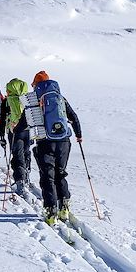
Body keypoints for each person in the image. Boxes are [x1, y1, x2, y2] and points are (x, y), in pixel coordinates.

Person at [31, 71, 82, 223]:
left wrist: (17, 132)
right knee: (61, 173)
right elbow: (73, 116)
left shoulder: (36, 99)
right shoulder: (60, 98)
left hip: (45, 142)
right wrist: (79, 135)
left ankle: (51, 211)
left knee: (48, 177)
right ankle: (64, 207)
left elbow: (25, 120)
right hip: (64, 141)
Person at [0, 78, 31, 196]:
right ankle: (27, 173)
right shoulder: (27, 100)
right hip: (28, 131)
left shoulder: (7, 101)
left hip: (14, 131)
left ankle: (20, 180)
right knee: (26, 152)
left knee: (17, 155)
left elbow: (2, 119)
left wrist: (2, 134)